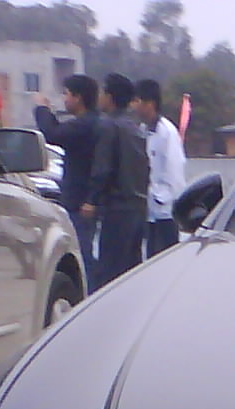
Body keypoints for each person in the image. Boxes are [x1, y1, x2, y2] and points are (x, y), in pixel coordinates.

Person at [34, 75, 101, 289]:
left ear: (78, 97)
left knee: (83, 252)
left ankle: (89, 293)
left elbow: (53, 134)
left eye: (66, 94)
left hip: (81, 202)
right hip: (83, 200)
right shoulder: (92, 122)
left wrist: (42, 109)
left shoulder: (85, 124)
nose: (64, 99)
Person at [86, 73, 150, 287]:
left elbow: (102, 168)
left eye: (103, 92)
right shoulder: (136, 127)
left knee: (109, 273)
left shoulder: (109, 126)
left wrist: (92, 200)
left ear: (110, 97)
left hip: (117, 208)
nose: (100, 97)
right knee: (131, 272)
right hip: (138, 208)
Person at [132, 79, 186, 257]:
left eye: (137, 101)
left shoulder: (167, 132)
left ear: (150, 103)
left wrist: (165, 199)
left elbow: (175, 171)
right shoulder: (143, 129)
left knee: (165, 257)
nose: (134, 106)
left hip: (166, 212)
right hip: (150, 211)